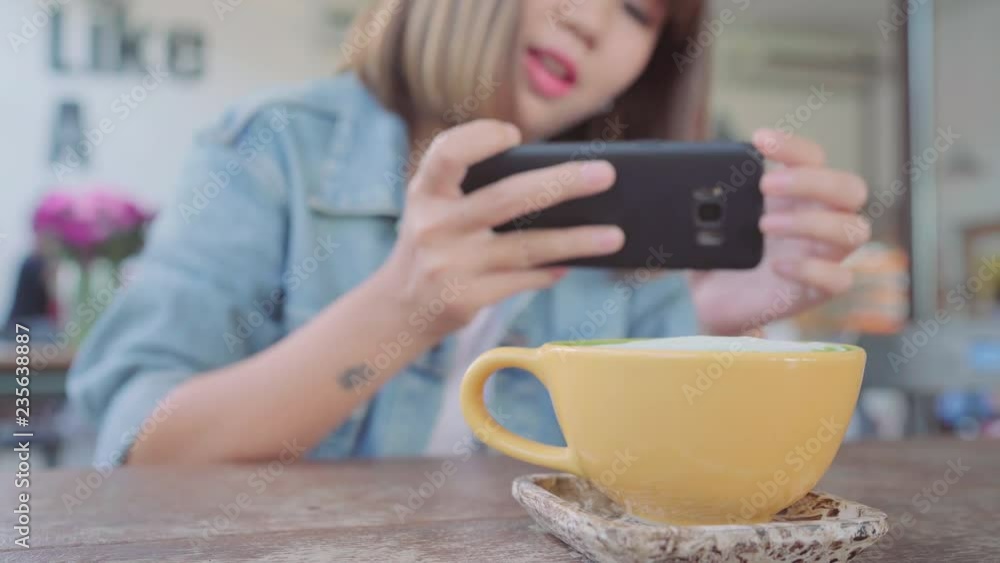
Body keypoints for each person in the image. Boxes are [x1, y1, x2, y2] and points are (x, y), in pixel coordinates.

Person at [68, 0, 871, 465]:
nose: (588, 20)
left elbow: (651, 494)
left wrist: (716, 335)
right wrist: (402, 309)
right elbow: (141, 448)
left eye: (637, 9)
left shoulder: (634, 228)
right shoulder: (272, 147)